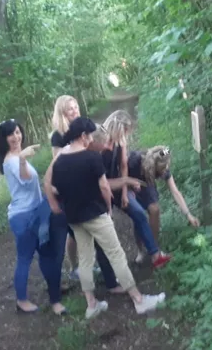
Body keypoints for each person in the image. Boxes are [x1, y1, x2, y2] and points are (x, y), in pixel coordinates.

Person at [47, 117, 165, 319]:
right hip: (96, 213)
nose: (92, 139)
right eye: (90, 135)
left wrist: (60, 202)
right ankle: (139, 300)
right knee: (116, 254)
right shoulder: (91, 157)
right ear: (83, 136)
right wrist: (109, 209)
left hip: (74, 217)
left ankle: (91, 304)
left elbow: (54, 187)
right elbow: (104, 187)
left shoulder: (59, 160)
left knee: (85, 259)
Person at [49, 95, 121, 291]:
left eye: (76, 107)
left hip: (87, 186)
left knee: (82, 234)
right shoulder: (58, 135)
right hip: (71, 191)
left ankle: (91, 276)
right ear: (62, 113)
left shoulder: (82, 128)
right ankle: (79, 270)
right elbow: (57, 165)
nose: (75, 111)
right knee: (79, 234)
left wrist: (103, 148)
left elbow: (89, 147)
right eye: (70, 109)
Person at [0, 119, 67, 315]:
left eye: (18, 132)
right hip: (23, 216)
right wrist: (22, 159)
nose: (16, 137)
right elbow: (27, 181)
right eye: (11, 134)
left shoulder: (16, 157)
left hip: (36, 212)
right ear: (4, 139)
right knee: (25, 258)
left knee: (44, 254)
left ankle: (54, 292)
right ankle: (21, 300)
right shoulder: (11, 160)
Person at [101, 110, 172, 269]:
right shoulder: (101, 144)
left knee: (139, 212)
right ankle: (109, 270)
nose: (126, 135)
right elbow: (100, 181)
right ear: (118, 127)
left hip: (118, 184)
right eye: (125, 131)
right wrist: (126, 182)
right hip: (100, 188)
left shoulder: (121, 141)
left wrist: (125, 192)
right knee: (104, 228)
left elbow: (124, 166)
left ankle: (155, 255)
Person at [130, 145, 200, 265]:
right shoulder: (135, 161)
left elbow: (175, 191)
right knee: (138, 215)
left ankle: (154, 248)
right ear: (154, 167)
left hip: (148, 182)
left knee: (155, 209)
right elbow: (122, 169)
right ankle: (140, 250)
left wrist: (189, 215)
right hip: (132, 182)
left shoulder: (162, 162)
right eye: (163, 169)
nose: (166, 170)